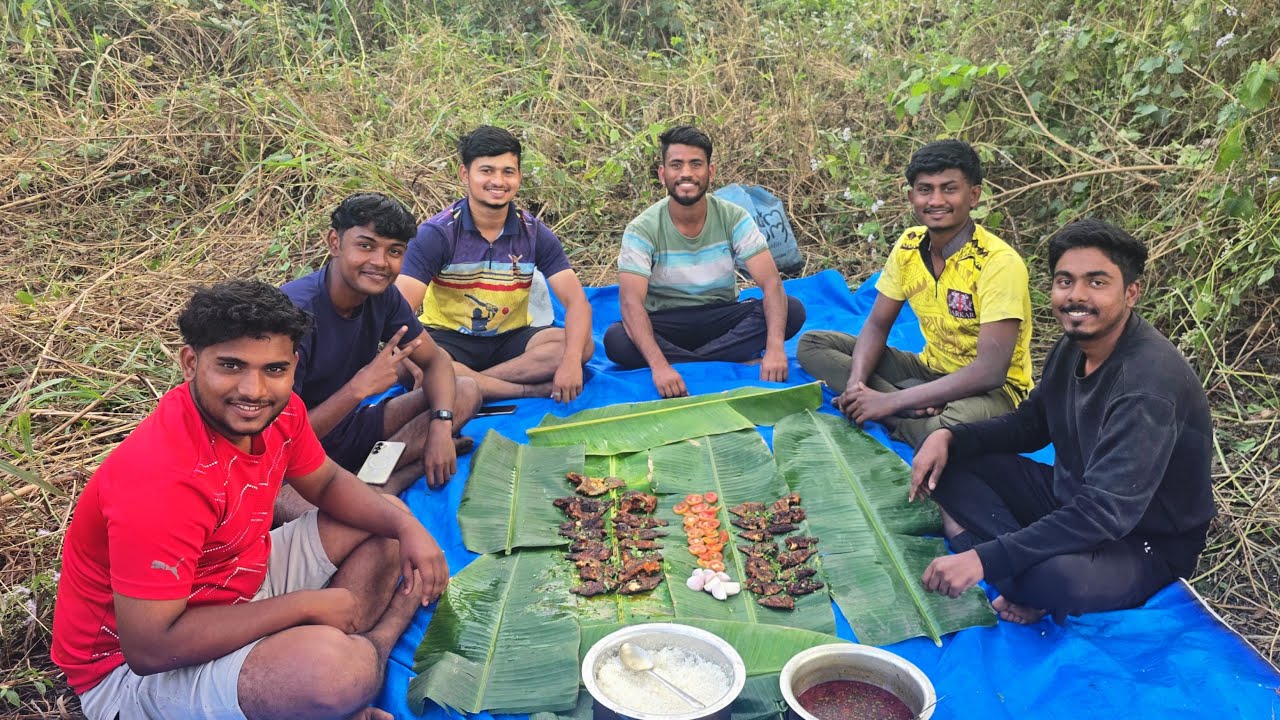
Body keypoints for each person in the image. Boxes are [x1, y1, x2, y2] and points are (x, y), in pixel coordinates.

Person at [51, 280, 449, 720]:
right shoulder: (161, 480)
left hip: (240, 577)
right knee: (332, 672)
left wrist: (406, 527)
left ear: (293, 365)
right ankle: (356, 667)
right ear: (190, 363)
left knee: (388, 520)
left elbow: (328, 484)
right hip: (130, 671)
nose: (253, 390)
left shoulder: (281, 412)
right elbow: (149, 649)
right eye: (231, 366)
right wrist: (304, 606)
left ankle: (354, 664)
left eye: (274, 369)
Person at [909, 218, 1216, 624]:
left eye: (1097, 282)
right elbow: (1030, 425)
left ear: (1131, 293)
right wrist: (950, 436)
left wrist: (984, 558)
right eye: (1065, 281)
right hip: (1071, 498)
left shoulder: (1148, 384)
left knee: (1052, 579)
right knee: (944, 462)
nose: (1077, 296)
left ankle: (990, 555)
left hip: (1142, 538)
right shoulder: (1074, 345)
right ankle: (1007, 563)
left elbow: (1104, 512)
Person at [796, 139, 1032, 448]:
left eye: (949, 189)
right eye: (925, 190)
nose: (936, 200)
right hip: (928, 370)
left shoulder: (998, 263)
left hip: (994, 393)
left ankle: (900, 413)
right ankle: (902, 407)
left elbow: (991, 371)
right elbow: (877, 324)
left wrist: (889, 402)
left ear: (974, 195)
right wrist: (856, 386)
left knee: (946, 428)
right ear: (911, 197)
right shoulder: (909, 245)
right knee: (812, 344)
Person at [282, 192, 480, 521]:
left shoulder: (384, 297)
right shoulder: (293, 314)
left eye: (394, 251)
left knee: (466, 390)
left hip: (346, 431)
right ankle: (387, 484)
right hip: (289, 464)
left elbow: (436, 362)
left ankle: (375, 482)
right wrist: (358, 389)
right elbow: (279, 440)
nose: (380, 262)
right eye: (366, 246)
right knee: (348, 525)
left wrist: (441, 426)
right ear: (335, 242)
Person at [603, 125, 806, 398]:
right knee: (617, 340)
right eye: (676, 165)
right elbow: (630, 303)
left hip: (720, 315)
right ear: (662, 174)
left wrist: (775, 348)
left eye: (696, 164)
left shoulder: (733, 217)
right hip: (666, 322)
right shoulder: (642, 229)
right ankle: (721, 359)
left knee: (791, 310)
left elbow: (771, 283)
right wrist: (659, 366)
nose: (686, 173)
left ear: (710, 172)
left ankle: (689, 361)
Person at [394, 126, 593, 403]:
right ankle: (523, 390)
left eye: (508, 172)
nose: (498, 181)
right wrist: (425, 360)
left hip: (511, 338)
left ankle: (467, 381)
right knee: (407, 364)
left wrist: (571, 362)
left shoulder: (534, 233)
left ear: (519, 176)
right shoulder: (437, 234)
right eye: (487, 171)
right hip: (448, 338)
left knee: (580, 346)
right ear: (465, 174)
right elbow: (400, 310)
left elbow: (577, 303)